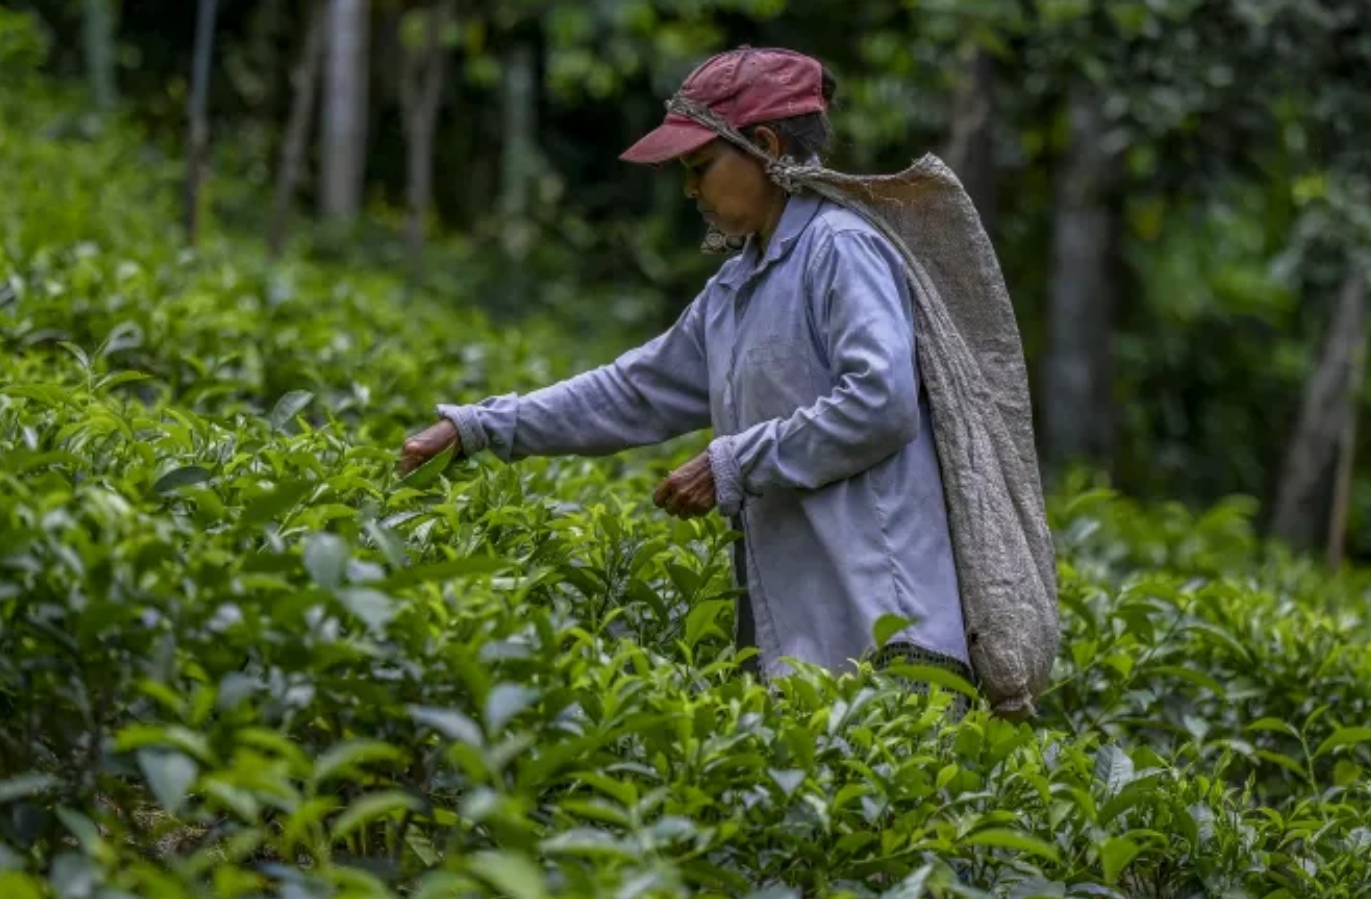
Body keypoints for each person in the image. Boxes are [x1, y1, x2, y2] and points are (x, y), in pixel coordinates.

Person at [398, 46, 976, 699]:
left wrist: (736, 461)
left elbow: (882, 401)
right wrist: (477, 427)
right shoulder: (737, 288)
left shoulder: (840, 249)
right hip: (809, 659)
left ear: (764, 145)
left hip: (889, 643)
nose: (690, 188)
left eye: (699, 166)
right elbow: (632, 391)